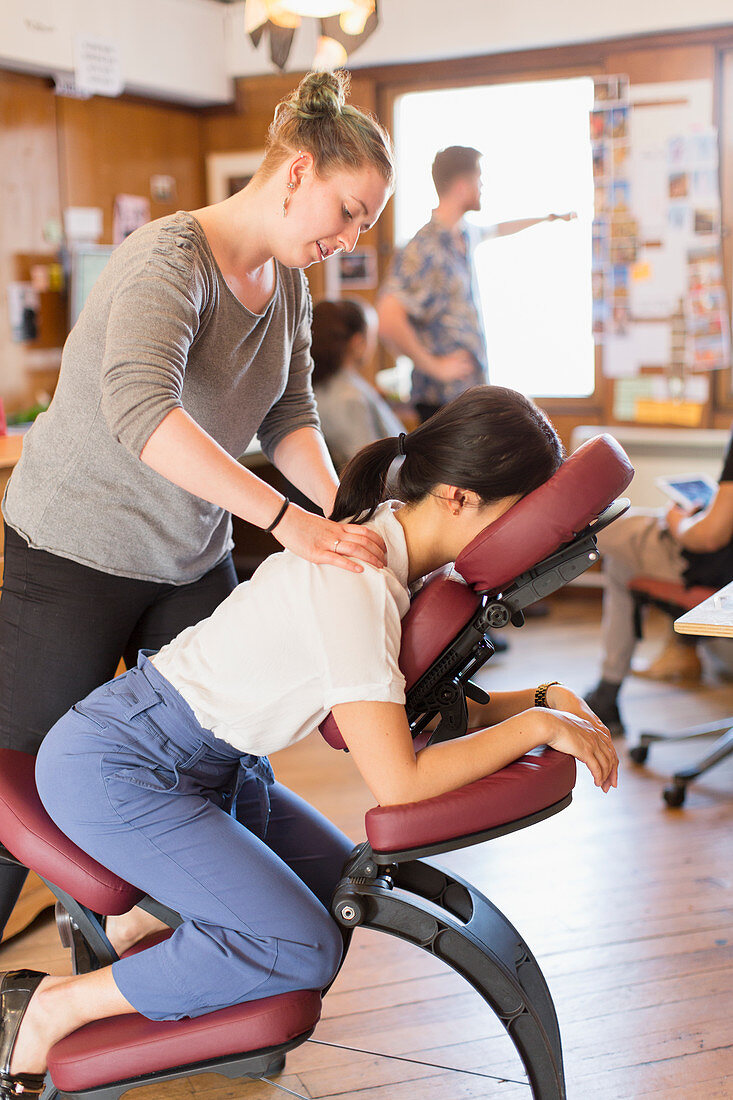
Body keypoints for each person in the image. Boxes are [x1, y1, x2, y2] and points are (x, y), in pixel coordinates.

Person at [0, 387, 617, 1093]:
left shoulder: (394, 545)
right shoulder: (357, 583)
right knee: (298, 945)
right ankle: (53, 1007)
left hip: (212, 767)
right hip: (123, 767)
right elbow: (399, 782)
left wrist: (539, 700)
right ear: (456, 497)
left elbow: (415, 709)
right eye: (524, 515)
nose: (530, 539)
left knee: (337, 887)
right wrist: (538, 728)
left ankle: (150, 935)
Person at [0, 69, 394, 938]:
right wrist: (290, 524)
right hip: (75, 550)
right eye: (349, 212)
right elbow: (145, 414)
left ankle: (185, 964)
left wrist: (345, 519)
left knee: (216, 758)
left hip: (186, 555)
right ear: (296, 172)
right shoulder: (166, 260)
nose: (351, 237)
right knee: (22, 772)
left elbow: (289, 414)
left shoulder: (289, 283)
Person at [377, 145, 575, 423]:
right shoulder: (424, 247)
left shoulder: (464, 234)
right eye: (478, 178)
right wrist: (434, 367)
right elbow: (386, 318)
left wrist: (547, 218)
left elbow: (500, 229)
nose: (482, 185)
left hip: (466, 394)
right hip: (441, 402)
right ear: (461, 185)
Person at [586, 425, 733, 737]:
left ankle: (607, 693)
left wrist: (678, 520)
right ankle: (609, 692)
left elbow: (707, 537)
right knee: (623, 563)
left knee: (594, 528)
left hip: (713, 573)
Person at [311, 297, 404, 470]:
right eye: (372, 337)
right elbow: (370, 471)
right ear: (358, 343)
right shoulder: (347, 398)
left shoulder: (328, 386)